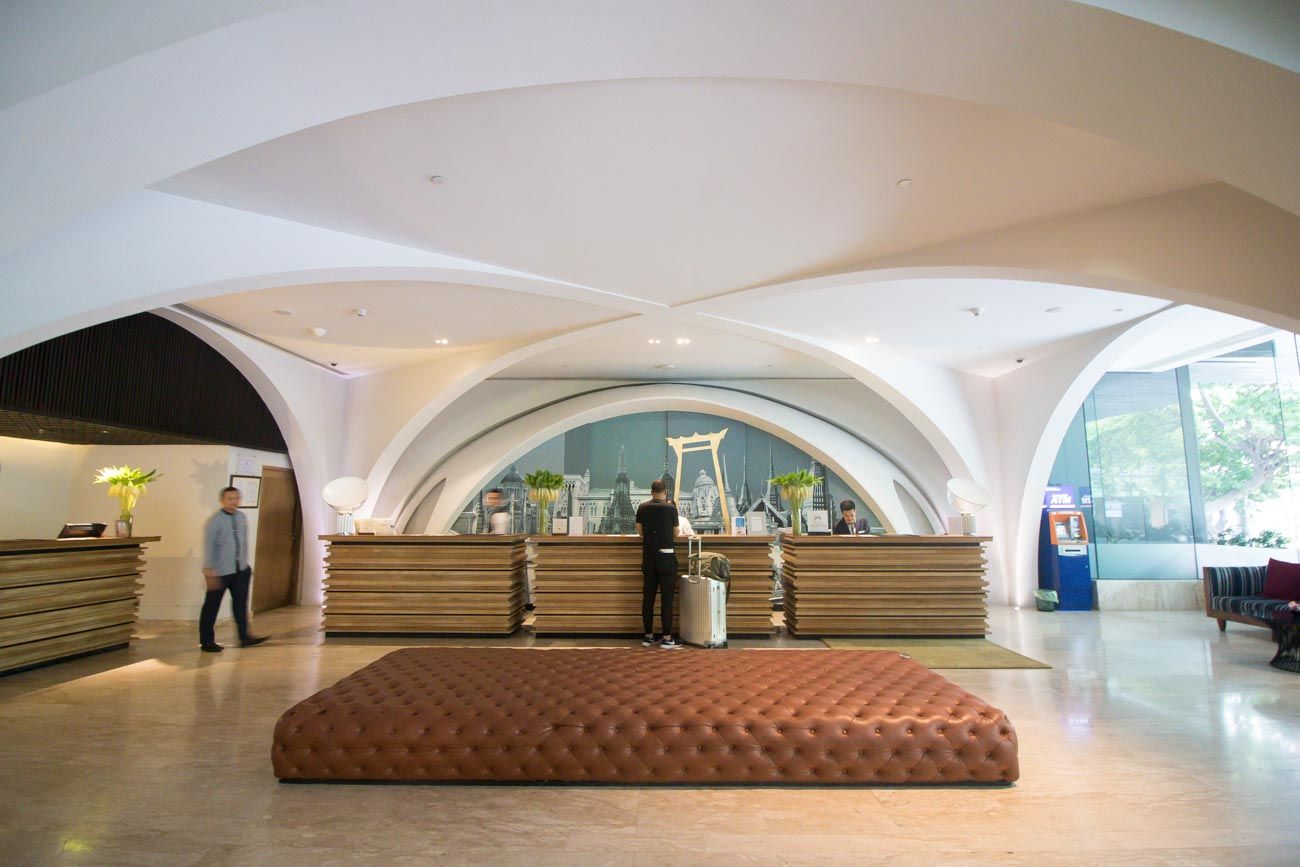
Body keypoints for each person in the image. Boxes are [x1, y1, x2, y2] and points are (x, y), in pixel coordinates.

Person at [199, 486, 268, 652]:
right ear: (222, 500)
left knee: (240, 605)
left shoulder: (241, 517)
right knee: (211, 606)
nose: (234, 501)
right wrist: (209, 570)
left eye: (236, 498)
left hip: (241, 570)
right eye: (230, 498)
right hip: (219, 572)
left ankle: (245, 637)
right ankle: (207, 641)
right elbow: (209, 547)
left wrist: (245, 566)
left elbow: (243, 543)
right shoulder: (215, 521)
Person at [636, 479, 681, 649]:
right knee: (667, 600)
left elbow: (640, 532)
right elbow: (676, 533)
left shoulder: (642, 508)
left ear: (651, 492)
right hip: (667, 558)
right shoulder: (671, 508)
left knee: (648, 599)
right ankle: (667, 638)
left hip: (649, 558)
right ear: (665, 492)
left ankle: (648, 637)